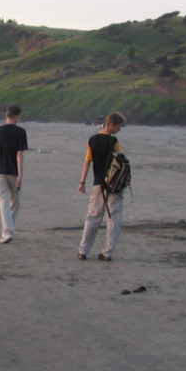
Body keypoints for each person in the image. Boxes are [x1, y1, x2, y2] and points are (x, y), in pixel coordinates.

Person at [77, 111, 127, 261]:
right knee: (113, 218)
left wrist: (82, 182)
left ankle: (83, 251)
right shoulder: (114, 141)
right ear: (111, 124)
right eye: (119, 126)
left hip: (98, 183)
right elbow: (121, 161)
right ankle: (107, 252)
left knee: (93, 217)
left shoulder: (92, 140)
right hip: (114, 185)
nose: (119, 129)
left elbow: (87, 162)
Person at [0, 105, 28, 244]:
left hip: (1, 171)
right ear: (15, 116)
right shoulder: (21, 132)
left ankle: (8, 230)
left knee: (5, 201)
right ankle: (8, 231)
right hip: (14, 173)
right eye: (19, 116)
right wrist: (21, 174)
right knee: (13, 202)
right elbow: (19, 154)